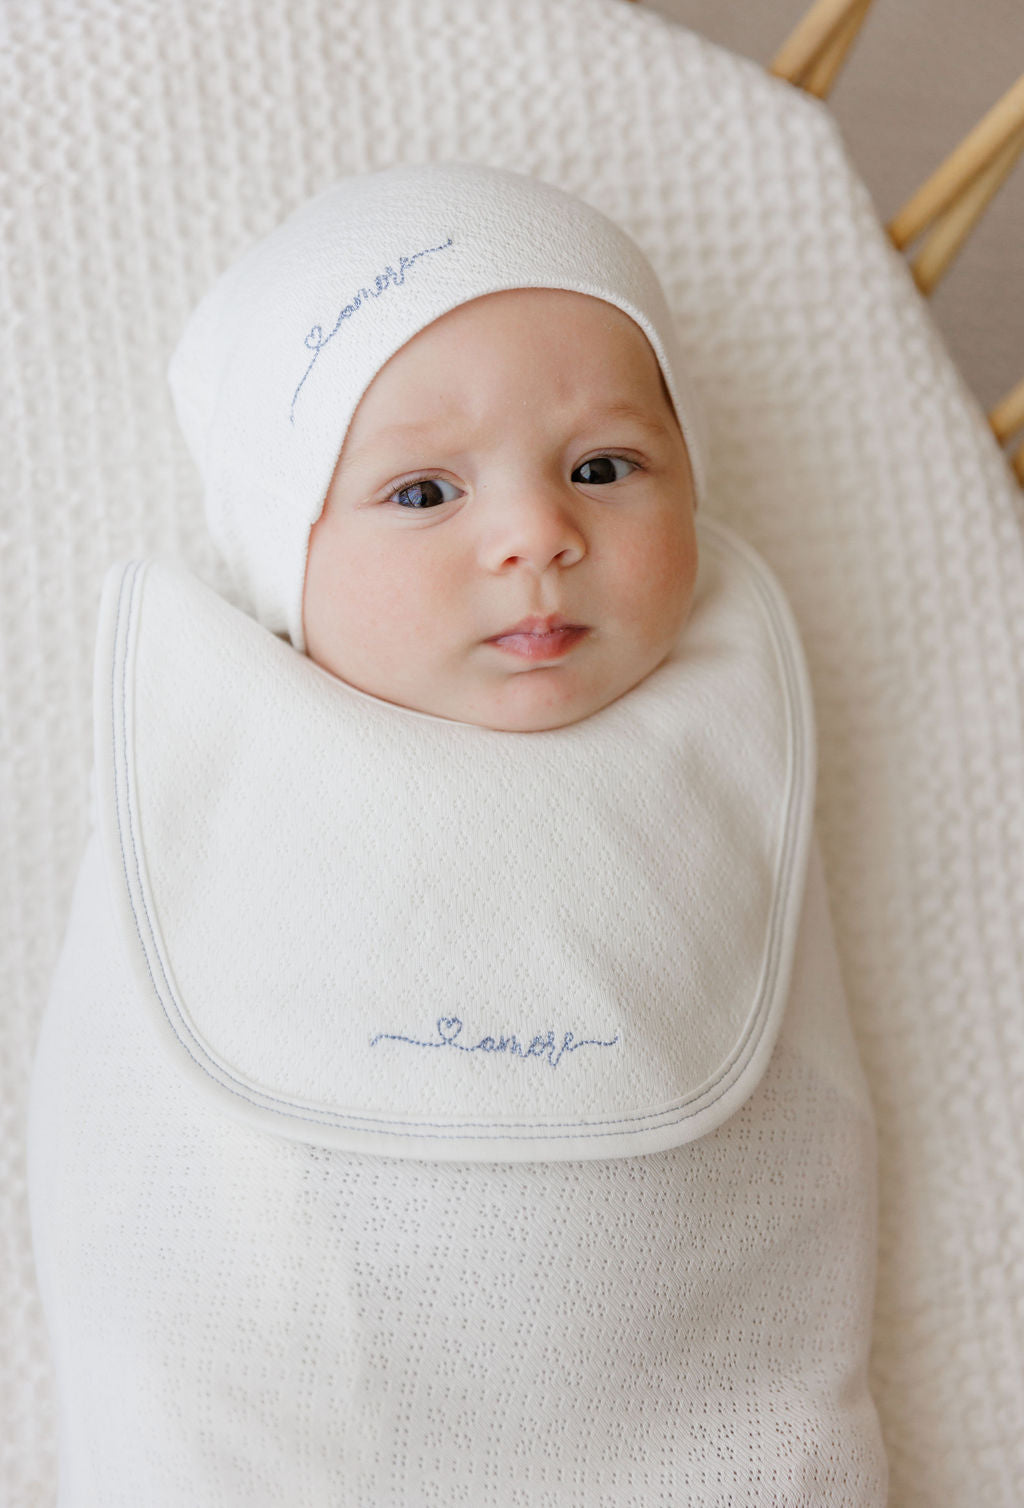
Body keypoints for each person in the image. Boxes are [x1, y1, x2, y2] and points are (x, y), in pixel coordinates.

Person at [28, 162, 887, 1504]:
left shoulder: (716, 737)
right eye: (425, 493)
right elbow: (133, 1189)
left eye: (603, 467)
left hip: (683, 1419)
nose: (538, 533)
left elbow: (799, 1167)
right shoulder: (224, 759)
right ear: (280, 543)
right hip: (286, 1432)